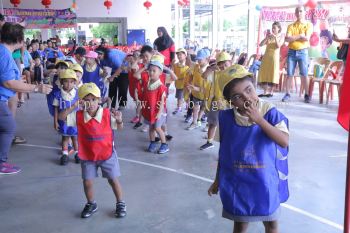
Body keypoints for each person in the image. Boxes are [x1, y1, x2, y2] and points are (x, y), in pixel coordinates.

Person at [208, 64, 289, 233]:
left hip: (265, 182)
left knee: (272, 224)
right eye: (238, 96)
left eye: (249, 89)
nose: (247, 98)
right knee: (240, 223)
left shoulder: (269, 111)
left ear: (254, 84)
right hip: (239, 183)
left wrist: (259, 120)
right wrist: (217, 180)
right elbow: (224, 154)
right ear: (230, 101)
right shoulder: (226, 119)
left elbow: (284, 141)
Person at [58, 82, 126, 219]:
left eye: (94, 99)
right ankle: (91, 203)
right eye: (87, 100)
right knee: (87, 182)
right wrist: (74, 106)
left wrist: (119, 121)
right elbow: (61, 117)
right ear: (82, 102)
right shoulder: (78, 116)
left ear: (99, 100)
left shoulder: (107, 114)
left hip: (107, 155)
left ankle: (120, 203)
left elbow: (119, 128)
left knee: (113, 179)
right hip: (88, 156)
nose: (91, 103)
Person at [0, 22, 52, 174]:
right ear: (17, 39)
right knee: (8, 127)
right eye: (23, 38)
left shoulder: (3, 52)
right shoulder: (4, 54)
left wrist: (18, 81)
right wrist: (36, 88)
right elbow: (9, 83)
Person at [200, 51, 232, 150]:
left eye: (225, 65)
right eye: (221, 66)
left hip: (229, 103)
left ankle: (228, 144)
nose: (223, 68)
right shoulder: (215, 74)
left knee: (228, 125)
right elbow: (204, 76)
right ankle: (209, 141)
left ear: (230, 63)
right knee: (212, 123)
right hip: (215, 102)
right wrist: (211, 68)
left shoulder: (234, 73)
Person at [282, 6, 312, 103]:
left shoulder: (308, 25)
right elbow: (287, 39)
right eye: (297, 11)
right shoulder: (291, 26)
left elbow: (307, 38)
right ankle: (287, 93)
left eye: (301, 11)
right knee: (289, 74)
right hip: (291, 51)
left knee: (304, 74)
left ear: (304, 12)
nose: (299, 13)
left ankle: (307, 94)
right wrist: (300, 36)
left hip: (303, 51)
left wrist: (293, 37)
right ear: (295, 13)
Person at [142, 56, 169, 154]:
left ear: (160, 73)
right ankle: (152, 142)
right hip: (150, 111)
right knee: (151, 128)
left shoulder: (160, 86)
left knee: (158, 128)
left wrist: (159, 112)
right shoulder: (148, 83)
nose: (151, 73)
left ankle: (164, 144)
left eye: (154, 71)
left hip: (158, 112)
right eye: (150, 70)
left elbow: (162, 101)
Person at [52, 69, 79, 165]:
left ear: (75, 82)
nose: (69, 84)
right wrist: (55, 121)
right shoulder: (58, 95)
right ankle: (65, 154)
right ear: (61, 82)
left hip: (75, 121)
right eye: (66, 81)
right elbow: (55, 108)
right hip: (63, 121)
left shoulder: (78, 94)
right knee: (65, 138)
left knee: (75, 138)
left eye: (72, 82)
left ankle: (77, 153)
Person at [186, 48, 211, 130]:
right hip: (195, 93)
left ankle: (204, 122)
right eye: (198, 59)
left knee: (204, 108)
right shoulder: (196, 67)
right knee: (195, 108)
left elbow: (209, 87)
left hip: (205, 94)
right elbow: (190, 67)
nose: (198, 61)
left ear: (207, 59)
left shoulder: (210, 70)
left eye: (200, 59)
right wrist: (189, 85)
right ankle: (194, 122)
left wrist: (197, 88)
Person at [258, 22, 284, 97]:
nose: (273, 29)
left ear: (278, 29)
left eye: (274, 28)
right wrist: (266, 38)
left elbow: (278, 45)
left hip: (274, 58)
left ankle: (271, 92)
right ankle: (265, 92)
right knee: (265, 73)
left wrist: (275, 37)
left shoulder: (281, 36)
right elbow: (260, 44)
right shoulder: (269, 36)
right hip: (266, 57)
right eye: (272, 27)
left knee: (273, 74)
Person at [172, 48, 190, 115]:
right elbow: (172, 73)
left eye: (180, 54)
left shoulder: (188, 66)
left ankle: (188, 109)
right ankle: (179, 108)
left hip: (186, 85)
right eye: (178, 55)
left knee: (187, 98)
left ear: (185, 56)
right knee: (179, 97)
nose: (179, 56)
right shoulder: (175, 65)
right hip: (178, 84)